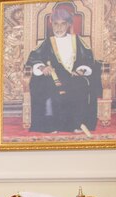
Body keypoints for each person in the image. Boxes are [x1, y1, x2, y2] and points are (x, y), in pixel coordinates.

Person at [25, 2, 101, 135]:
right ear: (51, 24)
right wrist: (42, 67)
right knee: (46, 86)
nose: (59, 27)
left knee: (81, 85)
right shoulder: (47, 42)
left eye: (62, 24)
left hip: (73, 76)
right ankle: (51, 125)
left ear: (68, 24)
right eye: (56, 24)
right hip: (53, 76)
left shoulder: (77, 40)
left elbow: (88, 59)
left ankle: (77, 124)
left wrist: (82, 70)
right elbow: (33, 59)